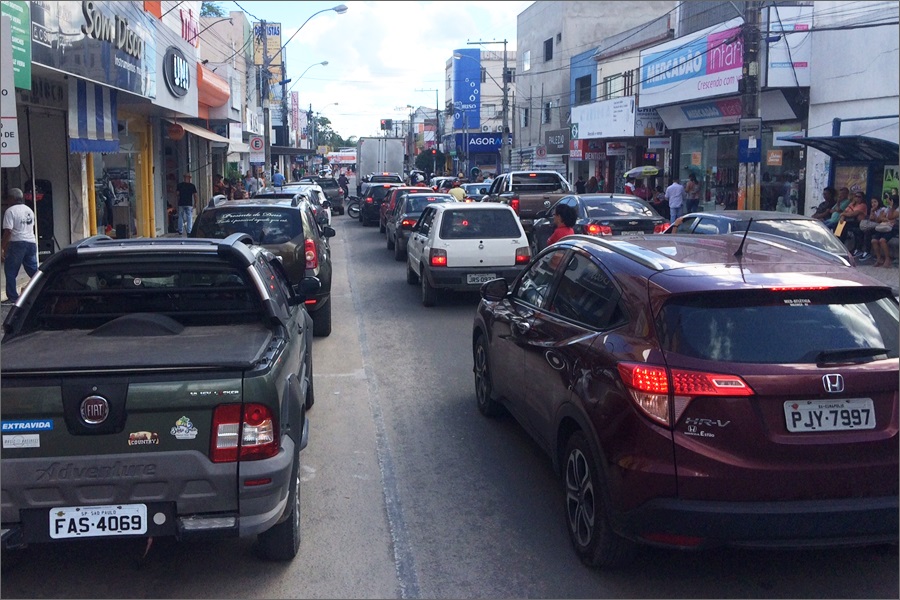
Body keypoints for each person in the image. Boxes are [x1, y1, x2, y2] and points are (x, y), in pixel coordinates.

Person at [1, 188, 38, 303]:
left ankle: (13, 298)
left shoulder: (10, 211)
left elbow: (8, 231)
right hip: (31, 242)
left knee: (11, 271)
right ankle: (44, 288)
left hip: (17, 244)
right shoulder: (29, 210)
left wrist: (2, 247)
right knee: (34, 271)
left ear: (12, 198)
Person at [872, 193, 899, 267]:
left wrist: (891, 207)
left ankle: (888, 259)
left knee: (882, 240)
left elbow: (891, 216)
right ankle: (879, 258)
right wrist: (887, 220)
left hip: (893, 228)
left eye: (889, 199)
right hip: (884, 227)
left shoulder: (897, 209)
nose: (887, 200)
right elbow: (880, 218)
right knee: (874, 240)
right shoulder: (886, 208)